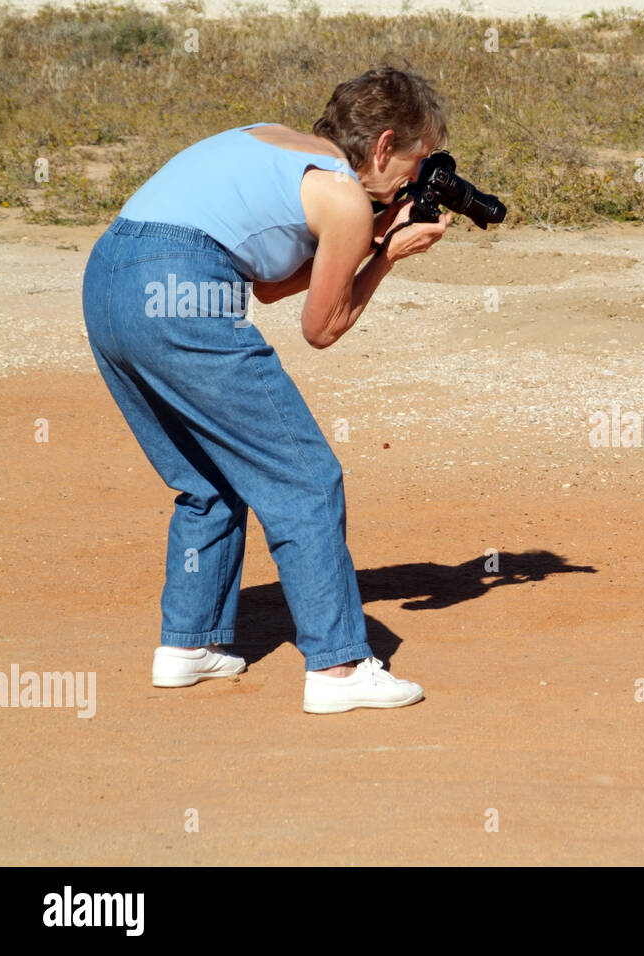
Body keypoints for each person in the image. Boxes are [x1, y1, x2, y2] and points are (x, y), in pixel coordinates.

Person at [81, 65, 452, 713]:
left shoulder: (273, 139)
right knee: (304, 474)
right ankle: (339, 669)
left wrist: (369, 233)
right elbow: (322, 328)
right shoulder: (339, 194)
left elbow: (270, 280)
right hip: (182, 291)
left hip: (110, 280)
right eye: (418, 163)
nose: (417, 181)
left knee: (208, 479)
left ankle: (189, 645)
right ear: (386, 145)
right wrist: (385, 256)